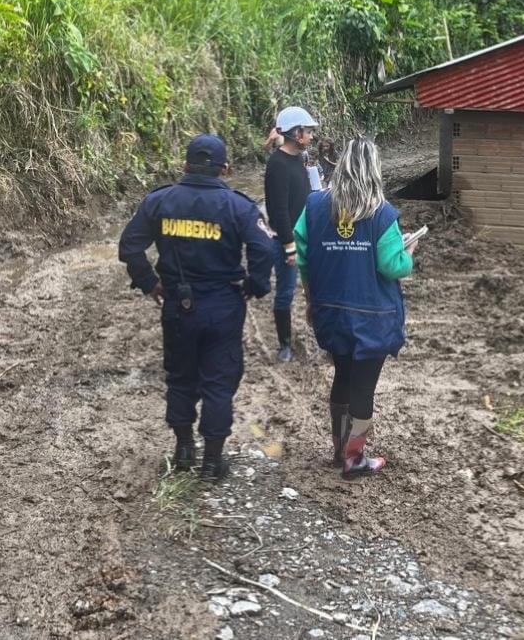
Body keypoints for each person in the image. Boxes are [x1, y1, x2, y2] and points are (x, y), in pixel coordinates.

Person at [118, 134, 274, 482]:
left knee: (180, 376)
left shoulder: (160, 201)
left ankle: (184, 449)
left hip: (177, 304)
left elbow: (130, 245)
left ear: (185, 165)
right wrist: (255, 286)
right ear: (225, 168)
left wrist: (150, 283)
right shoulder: (239, 206)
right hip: (223, 306)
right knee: (219, 381)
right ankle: (212, 462)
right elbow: (264, 250)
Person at [294, 138, 414, 478]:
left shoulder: (315, 207)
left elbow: (304, 257)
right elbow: (392, 266)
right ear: (373, 170)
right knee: (364, 386)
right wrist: (408, 254)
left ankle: (338, 450)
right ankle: (355, 459)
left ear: (342, 164)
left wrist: (310, 300)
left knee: (342, 375)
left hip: (330, 310)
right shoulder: (382, 213)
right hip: (372, 316)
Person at [264, 106, 318, 362]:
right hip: (287, 239)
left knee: (314, 289)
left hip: (306, 236)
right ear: (297, 133)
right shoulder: (277, 164)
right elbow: (278, 210)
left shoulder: (299, 159)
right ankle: (284, 344)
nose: (310, 135)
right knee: (285, 292)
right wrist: (288, 245)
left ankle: (321, 336)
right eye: (307, 131)